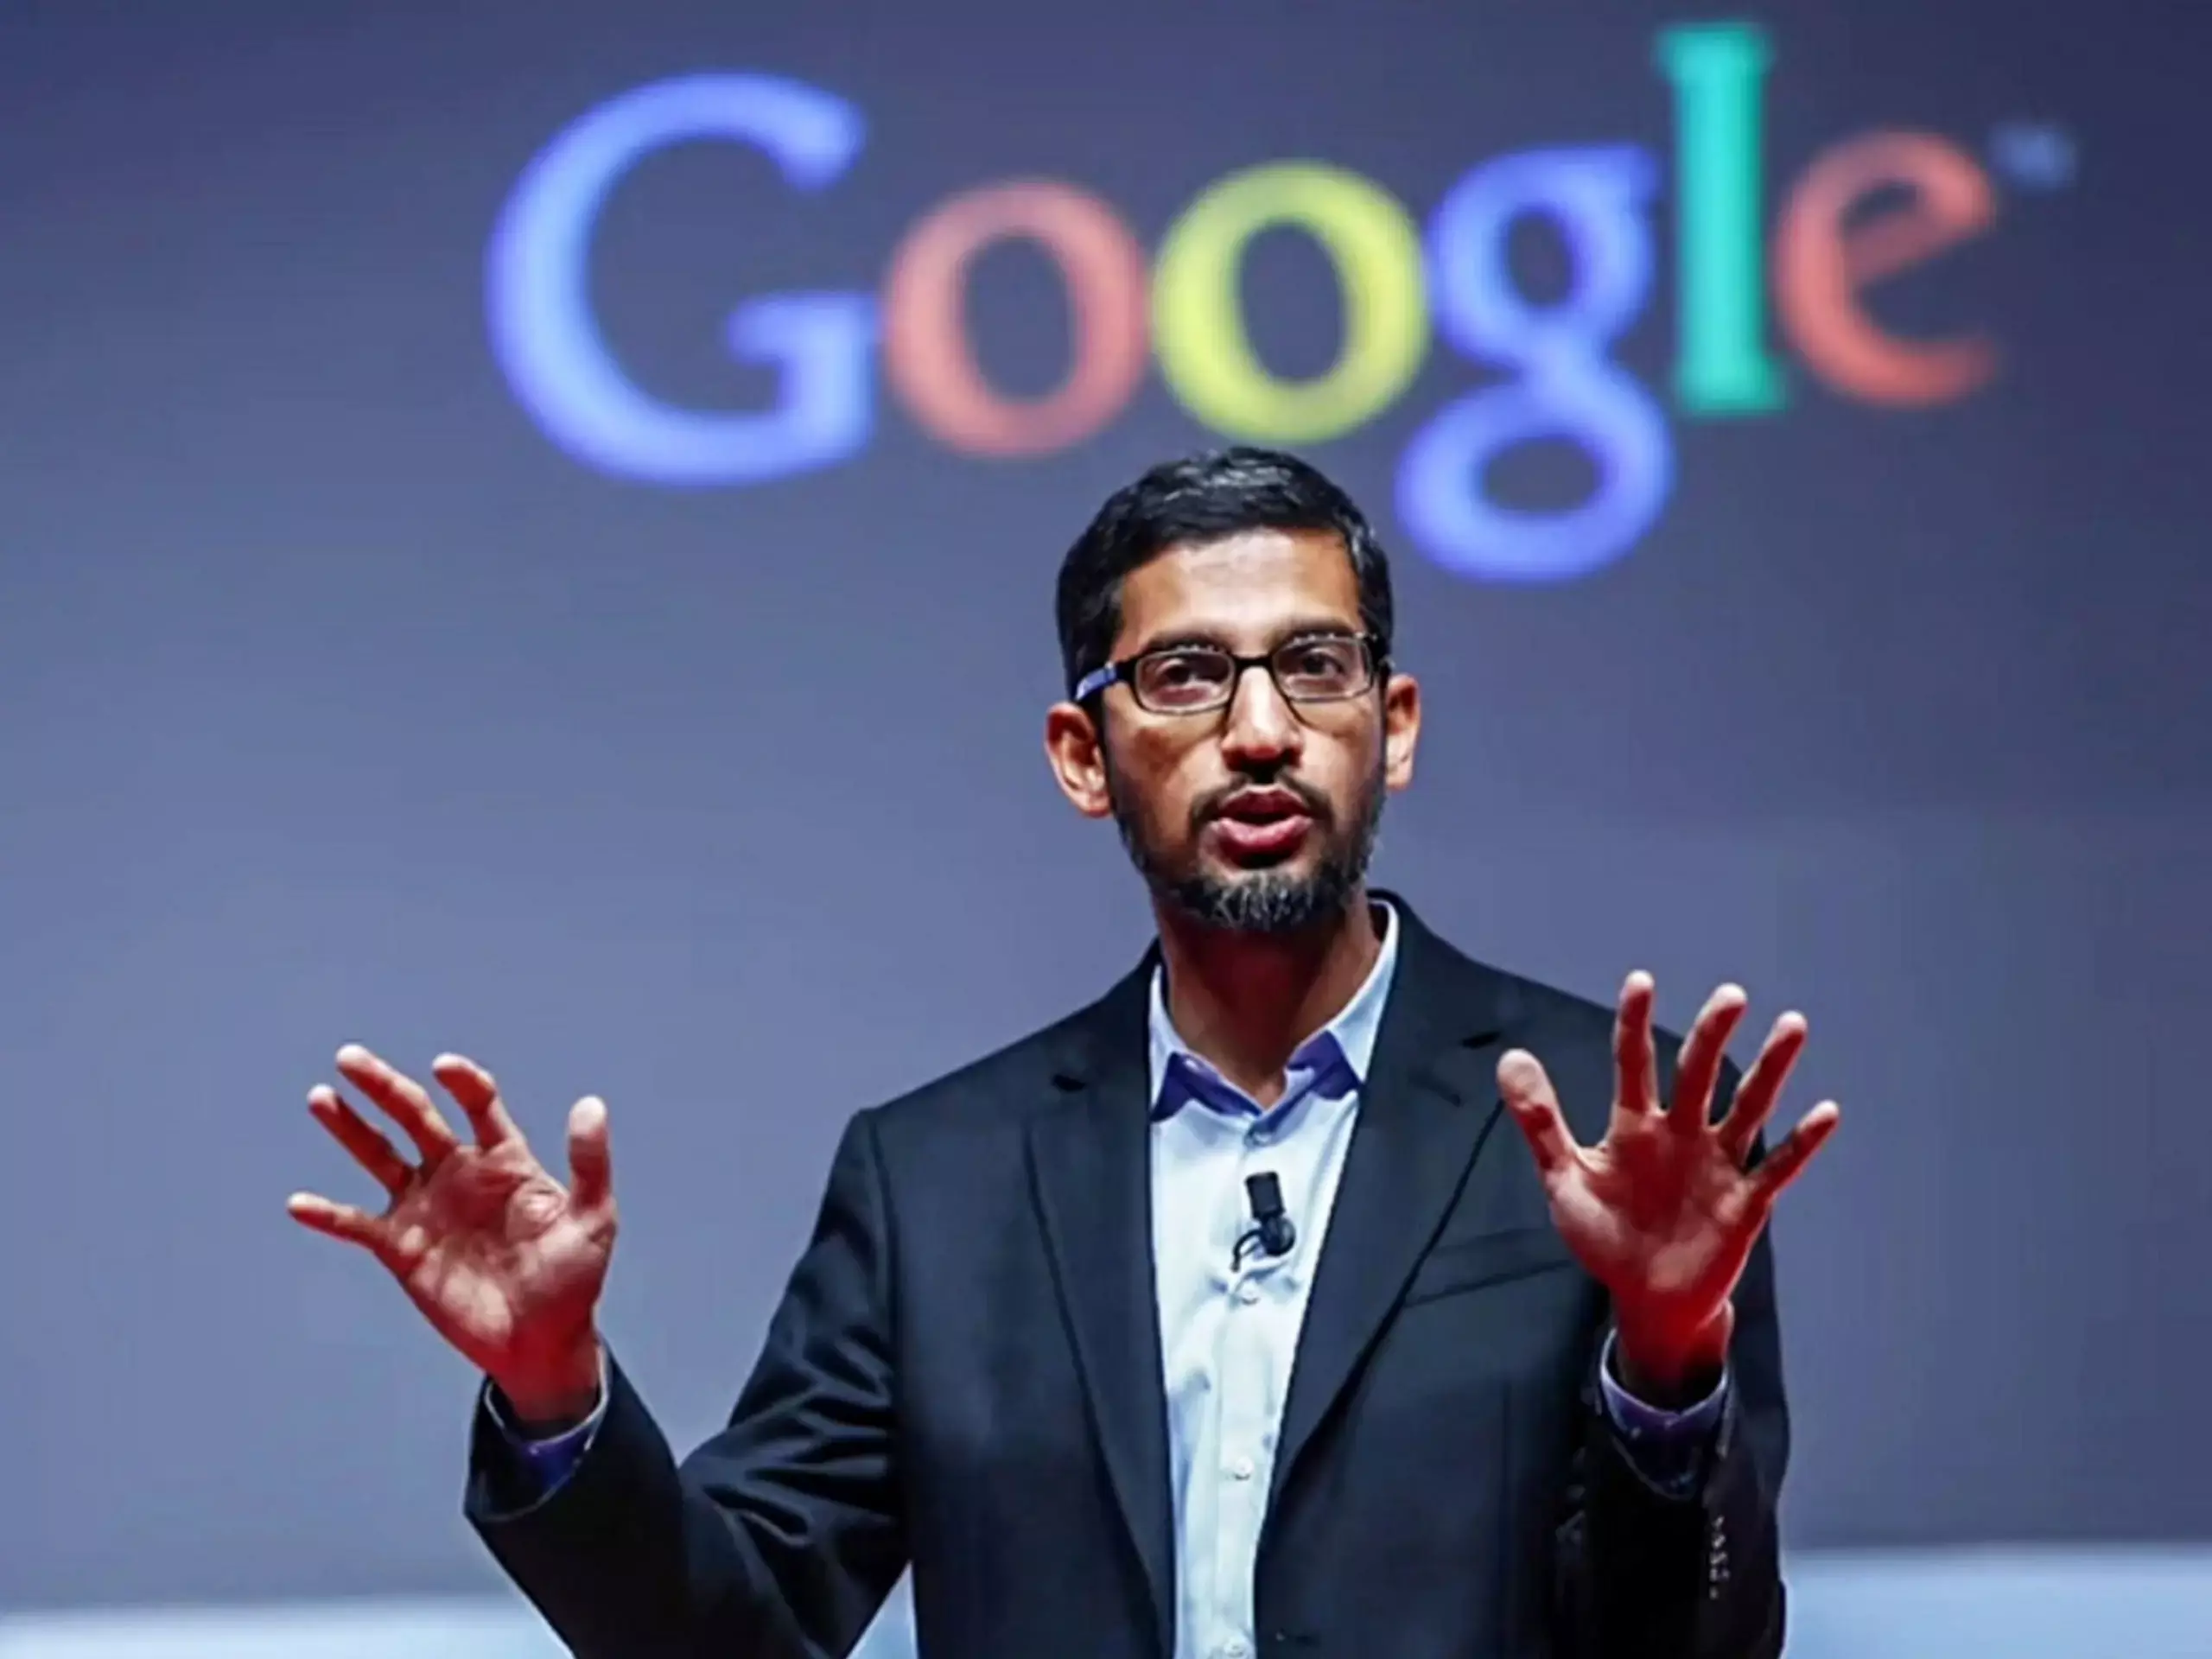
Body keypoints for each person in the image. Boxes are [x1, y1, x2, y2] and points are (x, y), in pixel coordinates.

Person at [289, 447, 1840, 1659]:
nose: (1261, 731)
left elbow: (1693, 1651)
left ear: (1398, 723)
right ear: (1083, 757)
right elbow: (731, 1640)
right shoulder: (939, 1186)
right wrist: (554, 1387)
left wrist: (1668, 1361)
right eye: (1185, 676)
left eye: (1316, 665)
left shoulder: (1619, 1145)